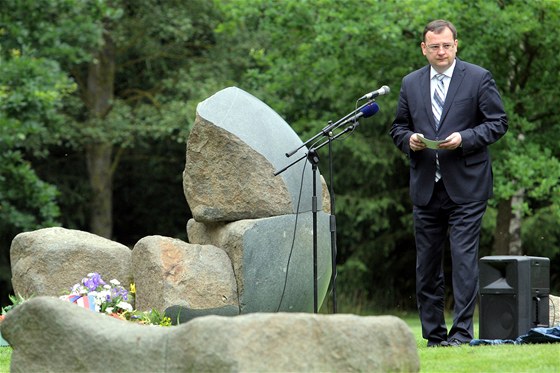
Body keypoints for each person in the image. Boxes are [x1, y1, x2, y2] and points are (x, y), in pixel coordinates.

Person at [389, 19, 508, 347]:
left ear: (456, 46)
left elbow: (498, 122)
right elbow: (397, 127)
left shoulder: (479, 78)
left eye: (446, 45)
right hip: (426, 187)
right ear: (424, 48)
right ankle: (434, 336)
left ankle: (461, 335)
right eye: (434, 46)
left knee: (463, 260)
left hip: (467, 186)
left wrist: (466, 138)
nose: (441, 52)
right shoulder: (410, 83)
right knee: (426, 264)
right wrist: (409, 139)